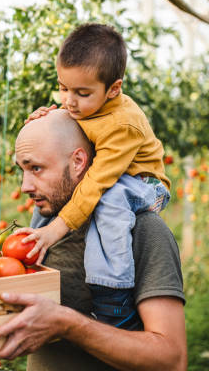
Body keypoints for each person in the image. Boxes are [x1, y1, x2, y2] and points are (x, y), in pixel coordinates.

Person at [0, 109, 186, 371]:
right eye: (22, 169)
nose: (25, 186)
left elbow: (172, 359)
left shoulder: (142, 231)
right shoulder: (45, 226)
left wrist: (68, 324)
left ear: (78, 162)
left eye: (36, 168)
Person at [19, 23, 171, 328]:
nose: (69, 101)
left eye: (81, 93)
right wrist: (43, 118)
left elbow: (97, 181)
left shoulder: (122, 125)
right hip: (116, 175)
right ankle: (33, 259)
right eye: (63, 88)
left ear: (113, 89)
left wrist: (58, 228)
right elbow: (64, 132)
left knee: (108, 200)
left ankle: (112, 295)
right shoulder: (84, 105)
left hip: (145, 184)